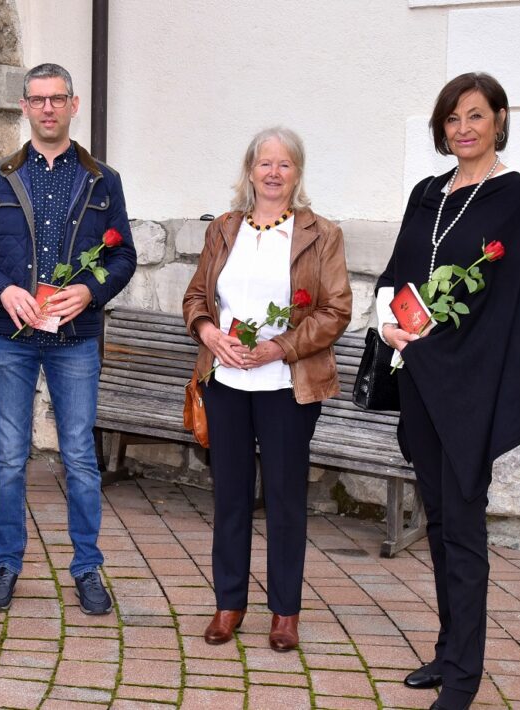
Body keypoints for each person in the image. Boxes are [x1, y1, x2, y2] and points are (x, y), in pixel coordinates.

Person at [375, 73, 520, 710]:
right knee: (441, 519)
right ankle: (448, 651)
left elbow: (518, 301)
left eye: (476, 116)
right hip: (419, 378)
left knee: (466, 530)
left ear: (499, 119)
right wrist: (388, 323)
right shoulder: (427, 193)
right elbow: (397, 273)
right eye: (453, 119)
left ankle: (466, 676)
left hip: (472, 386)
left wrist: (462, 357)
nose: (464, 129)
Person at [0, 63, 136, 616]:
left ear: (74, 104)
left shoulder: (103, 179)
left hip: (76, 336)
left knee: (81, 457)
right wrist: (4, 291)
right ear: (25, 107)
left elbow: (123, 255)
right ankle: (6, 562)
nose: (48, 109)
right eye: (38, 100)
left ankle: (87, 568)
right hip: (11, 336)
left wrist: (89, 291)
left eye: (57, 99)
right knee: (11, 456)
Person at [182, 127, 352, 652]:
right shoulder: (225, 230)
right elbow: (195, 297)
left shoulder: (320, 234)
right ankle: (229, 604)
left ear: (297, 173)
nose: (273, 172)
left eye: (285, 164)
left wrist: (282, 347)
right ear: (249, 171)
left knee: (283, 500)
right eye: (264, 163)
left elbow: (336, 311)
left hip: (286, 386)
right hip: (227, 382)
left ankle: (284, 613)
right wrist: (210, 333)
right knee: (229, 497)